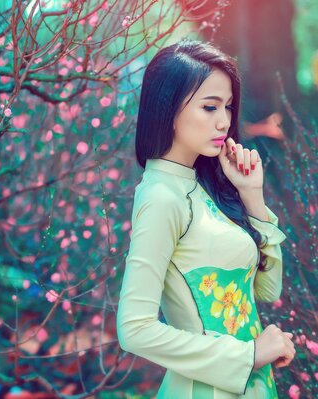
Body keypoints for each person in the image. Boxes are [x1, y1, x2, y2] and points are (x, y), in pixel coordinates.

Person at [116, 39, 295, 398]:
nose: (224, 122)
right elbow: (133, 329)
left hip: (251, 386)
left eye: (227, 107)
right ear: (168, 108)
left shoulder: (202, 187)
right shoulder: (161, 197)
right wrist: (249, 354)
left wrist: (252, 198)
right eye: (210, 107)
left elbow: (266, 289)